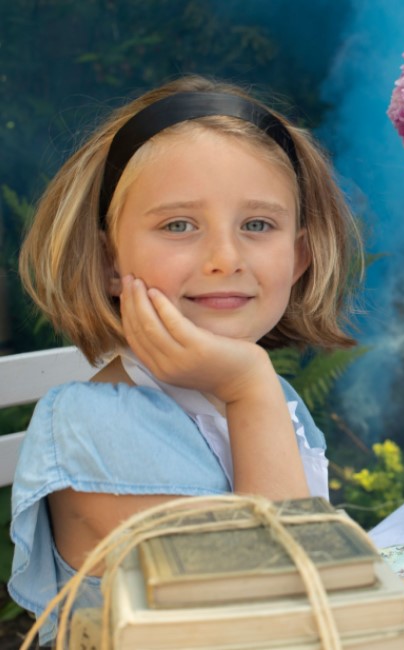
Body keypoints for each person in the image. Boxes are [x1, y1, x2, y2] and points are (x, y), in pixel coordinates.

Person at [9, 75, 363, 643]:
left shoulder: (264, 397)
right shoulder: (96, 430)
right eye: (178, 225)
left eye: (257, 225)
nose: (225, 258)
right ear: (107, 259)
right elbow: (278, 622)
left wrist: (253, 393)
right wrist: (250, 389)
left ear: (300, 256)